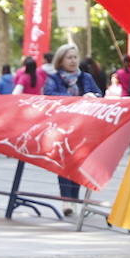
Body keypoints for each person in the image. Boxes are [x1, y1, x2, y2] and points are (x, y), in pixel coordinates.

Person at [43, 43, 101, 213]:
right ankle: (66, 201)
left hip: (83, 128)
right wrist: (76, 99)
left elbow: (99, 95)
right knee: (63, 163)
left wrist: (92, 96)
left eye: (75, 57)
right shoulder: (53, 79)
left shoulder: (86, 78)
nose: (73, 60)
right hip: (62, 127)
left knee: (78, 163)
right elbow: (49, 96)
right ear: (60, 60)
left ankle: (74, 199)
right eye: (69, 57)